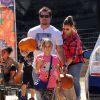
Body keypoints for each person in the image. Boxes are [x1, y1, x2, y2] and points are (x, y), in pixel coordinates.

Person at [62, 16, 84, 100]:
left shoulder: (75, 38)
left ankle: (78, 97)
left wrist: (65, 65)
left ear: (72, 27)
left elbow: (72, 57)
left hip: (76, 61)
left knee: (74, 79)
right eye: (64, 29)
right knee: (63, 80)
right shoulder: (62, 34)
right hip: (65, 60)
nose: (65, 31)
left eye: (67, 29)